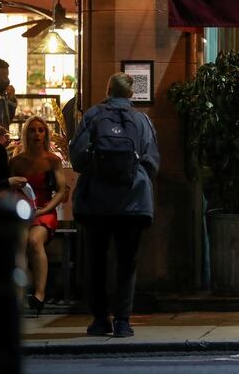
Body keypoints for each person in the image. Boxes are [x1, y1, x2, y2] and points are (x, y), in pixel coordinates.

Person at [69, 73, 160, 338]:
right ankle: (122, 320)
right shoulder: (142, 121)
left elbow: (77, 159)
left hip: (95, 203)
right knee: (126, 262)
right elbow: (152, 162)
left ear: (107, 89)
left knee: (96, 262)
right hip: (132, 203)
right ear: (131, 94)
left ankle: (99, 319)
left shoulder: (93, 117)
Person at [10, 116, 67, 315]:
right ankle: (17, 295)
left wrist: (45, 209)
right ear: (26, 134)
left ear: (46, 134)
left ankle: (39, 294)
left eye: (40, 130)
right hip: (22, 211)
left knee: (34, 241)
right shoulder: (17, 161)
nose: (37, 134)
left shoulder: (53, 160)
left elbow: (61, 191)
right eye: (33, 130)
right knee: (19, 242)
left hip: (44, 209)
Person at [0, 58, 17, 143]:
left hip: (2, 145)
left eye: (7, 75)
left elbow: (7, 120)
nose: (7, 80)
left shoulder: (1, 94)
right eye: (5, 76)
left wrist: (11, 99)